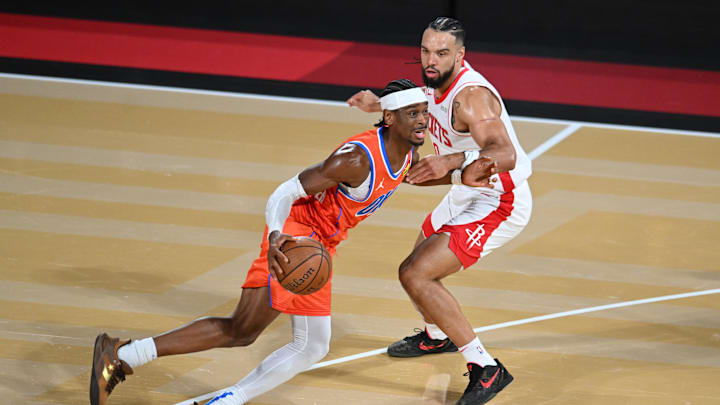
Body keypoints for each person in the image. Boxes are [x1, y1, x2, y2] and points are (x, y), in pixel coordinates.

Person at [89, 79, 494, 405]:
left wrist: (460, 176)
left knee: (312, 347)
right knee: (241, 330)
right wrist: (278, 233)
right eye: (413, 114)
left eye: (424, 112)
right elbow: (285, 192)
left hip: (320, 247)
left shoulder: (406, 149)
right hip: (296, 240)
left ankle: (222, 399)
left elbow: (407, 175)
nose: (423, 120)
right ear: (389, 118)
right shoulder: (354, 159)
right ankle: (123, 356)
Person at [347, 17, 532, 405]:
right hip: (465, 191)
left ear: (460, 55)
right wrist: (377, 104)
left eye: (442, 53)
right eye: (425, 51)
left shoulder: (472, 96)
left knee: (416, 274)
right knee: (416, 263)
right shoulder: (433, 83)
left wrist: (451, 160)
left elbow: (505, 154)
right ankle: (436, 337)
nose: (431, 60)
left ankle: (486, 368)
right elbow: (424, 104)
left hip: (499, 199)